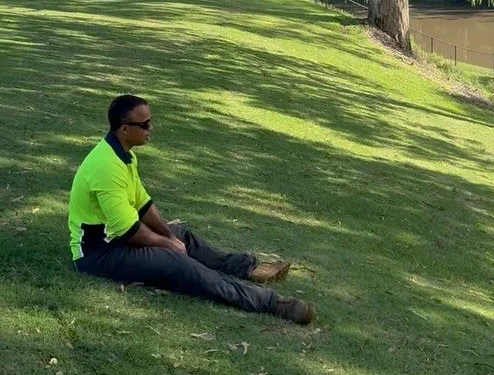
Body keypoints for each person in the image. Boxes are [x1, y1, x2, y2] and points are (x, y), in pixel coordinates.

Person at [69, 94, 315, 325]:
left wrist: (168, 235)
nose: (150, 129)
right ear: (124, 129)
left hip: (116, 241)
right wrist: (168, 245)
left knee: (181, 235)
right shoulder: (107, 166)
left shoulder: (124, 155)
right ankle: (272, 302)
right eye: (144, 124)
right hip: (97, 255)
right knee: (175, 261)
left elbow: (143, 204)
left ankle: (249, 269)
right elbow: (129, 231)